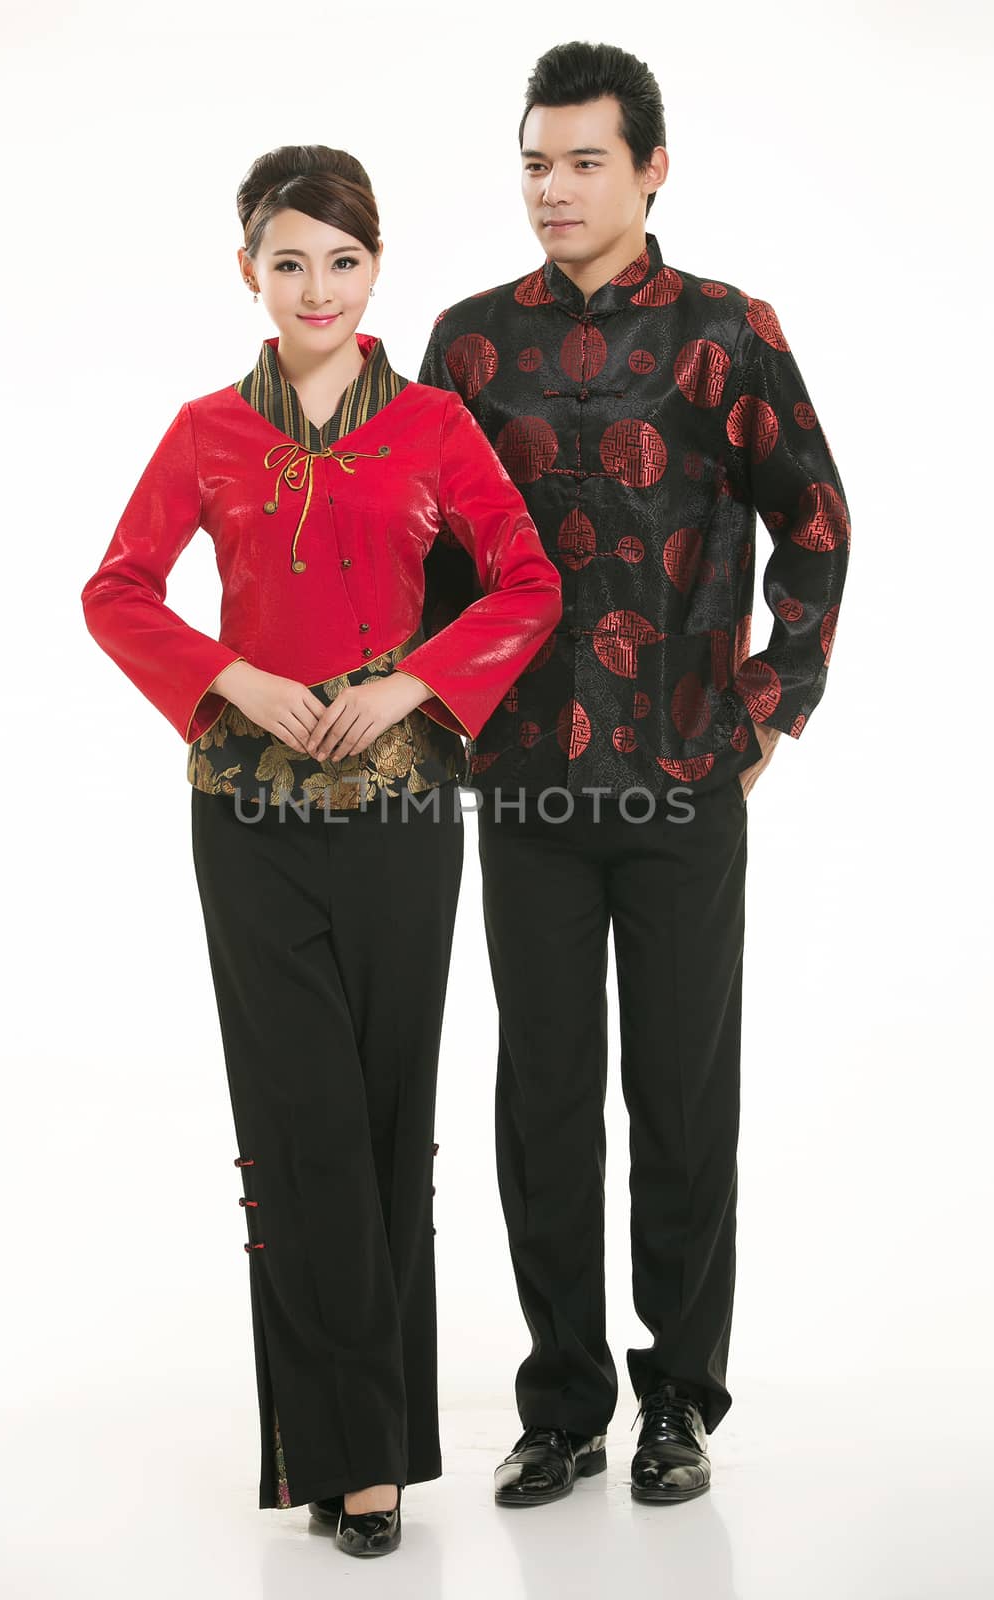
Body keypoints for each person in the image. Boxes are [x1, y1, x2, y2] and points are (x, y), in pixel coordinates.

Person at [80, 144, 562, 1559]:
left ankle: (383, 1453)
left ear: (374, 270)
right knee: (296, 1131)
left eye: (342, 261)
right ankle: (340, 1458)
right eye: (287, 260)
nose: (316, 287)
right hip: (249, 821)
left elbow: (528, 581)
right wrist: (232, 678)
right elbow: (114, 591)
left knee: (383, 1124)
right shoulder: (202, 435)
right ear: (249, 270)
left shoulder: (431, 429)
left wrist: (409, 682)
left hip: (406, 817)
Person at [418, 42, 850, 1507]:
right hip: (528, 788)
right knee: (543, 1103)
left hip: (682, 784)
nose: (554, 186)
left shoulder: (729, 331)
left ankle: (680, 1404)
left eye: (585, 160)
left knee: (680, 1100)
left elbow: (818, 520)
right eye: (537, 160)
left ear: (651, 168)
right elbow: (438, 560)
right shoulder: (468, 344)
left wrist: (770, 707)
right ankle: (562, 1406)